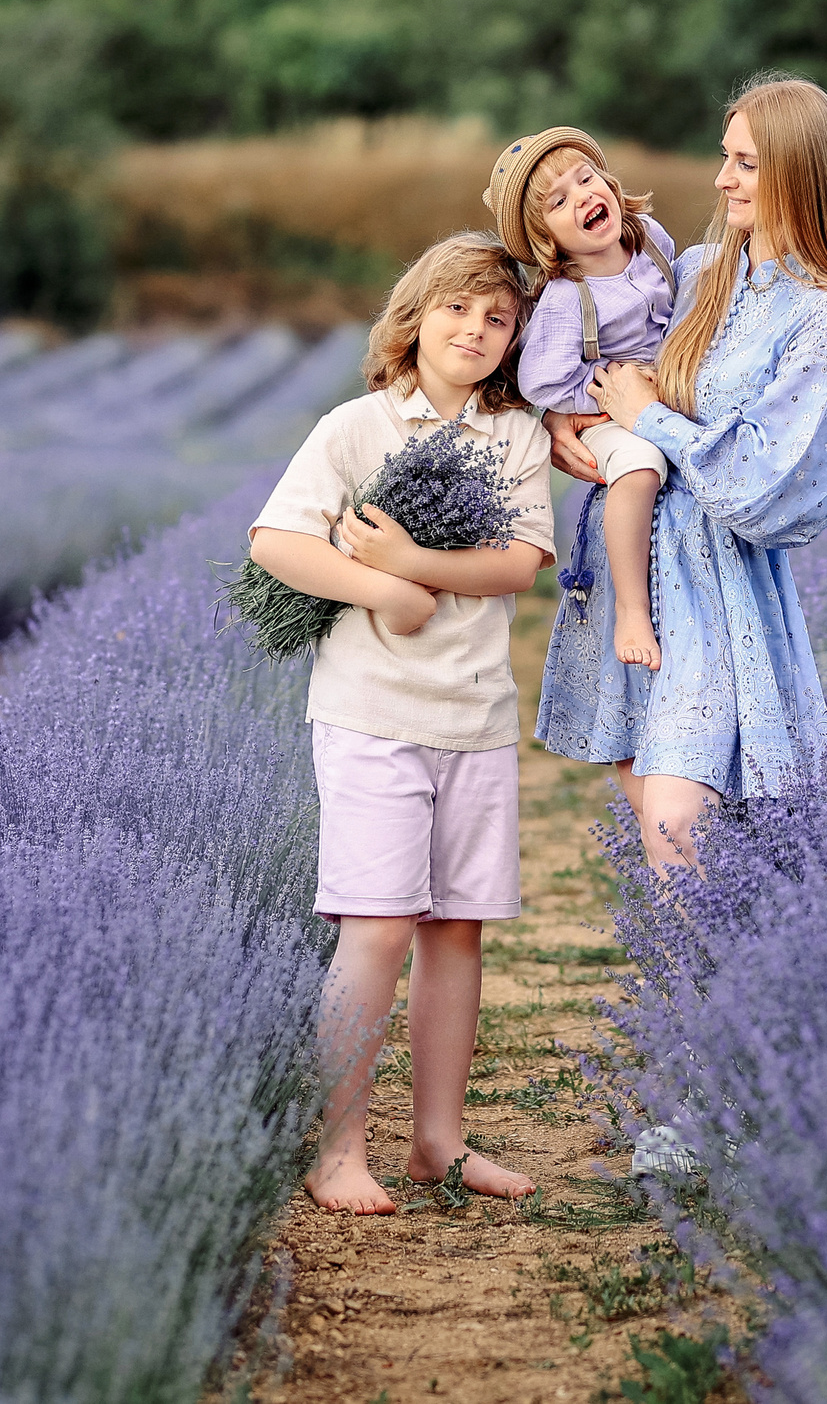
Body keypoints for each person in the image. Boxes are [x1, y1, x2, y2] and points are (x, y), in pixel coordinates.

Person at [246, 232, 555, 1215]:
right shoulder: (357, 426)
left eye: (497, 318)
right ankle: (336, 1150)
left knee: (456, 930)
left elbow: (517, 563)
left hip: (473, 717)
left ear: (514, 343)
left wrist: (409, 570)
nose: (475, 328)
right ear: (412, 319)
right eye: (456, 309)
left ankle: (437, 1141)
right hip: (371, 715)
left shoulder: (516, 436)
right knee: (377, 928)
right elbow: (275, 541)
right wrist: (378, 588)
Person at [535, 75, 827, 872]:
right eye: (726, 158)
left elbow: (764, 479)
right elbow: (594, 344)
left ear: (799, 173)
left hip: (722, 584)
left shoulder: (825, 315)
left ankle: (732, 988)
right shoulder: (694, 270)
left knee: (678, 822)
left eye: (746, 163)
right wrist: (561, 418)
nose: (722, 179)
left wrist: (646, 416)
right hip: (633, 564)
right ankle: (711, 990)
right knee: (654, 794)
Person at [483, 127, 681, 671]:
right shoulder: (568, 299)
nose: (583, 197)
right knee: (639, 469)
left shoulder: (653, 243)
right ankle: (633, 610)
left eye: (587, 179)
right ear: (547, 237)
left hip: (665, 390)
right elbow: (540, 381)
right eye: (559, 201)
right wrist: (603, 393)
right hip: (606, 409)